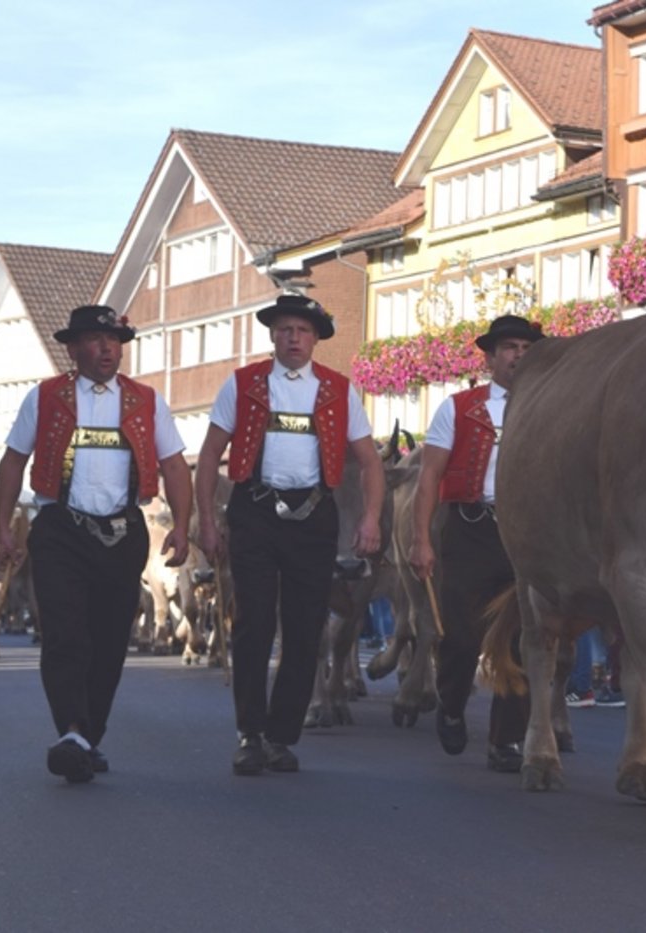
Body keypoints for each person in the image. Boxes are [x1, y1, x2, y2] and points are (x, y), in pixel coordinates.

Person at [0, 304, 192, 784]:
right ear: (72, 347)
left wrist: (184, 525)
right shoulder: (44, 398)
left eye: (115, 340)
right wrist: (2, 526)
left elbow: (174, 464)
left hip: (123, 532)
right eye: (96, 339)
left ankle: (86, 738)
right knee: (65, 634)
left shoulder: (146, 400)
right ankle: (72, 730)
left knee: (108, 641)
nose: (107, 348)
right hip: (60, 529)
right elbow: (13, 462)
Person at [196, 294, 383, 777]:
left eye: (302, 330)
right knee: (254, 623)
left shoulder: (339, 391)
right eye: (284, 330)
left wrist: (370, 519)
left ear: (316, 338)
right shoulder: (243, 385)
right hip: (255, 513)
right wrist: (209, 521)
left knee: (304, 630)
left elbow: (369, 461)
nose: (293, 338)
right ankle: (249, 734)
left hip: (315, 517)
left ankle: (282, 737)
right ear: (273, 336)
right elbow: (210, 455)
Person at [410, 313, 541, 774]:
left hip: (527, 531)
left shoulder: (547, 408)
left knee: (522, 638)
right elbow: (429, 475)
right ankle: (451, 702)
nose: (518, 357)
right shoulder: (459, 407)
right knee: (461, 636)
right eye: (509, 348)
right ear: (489, 357)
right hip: (469, 528)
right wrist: (420, 538)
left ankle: (505, 740)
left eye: (526, 349)